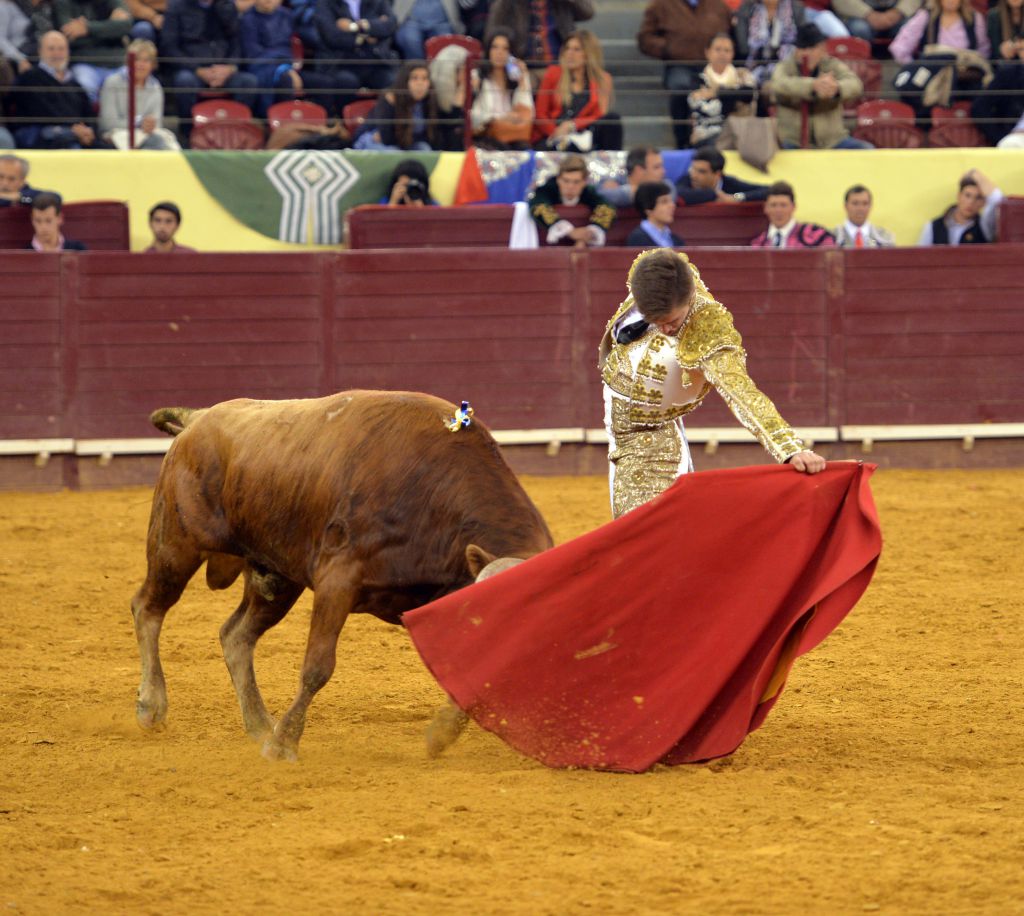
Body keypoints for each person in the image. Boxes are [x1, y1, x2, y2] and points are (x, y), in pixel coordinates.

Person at [598, 247, 825, 518]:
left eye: (672, 321)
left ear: (690, 296)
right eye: (654, 321)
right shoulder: (657, 273)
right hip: (637, 413)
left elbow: (740, 390)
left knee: (643, 525)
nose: (664, 329)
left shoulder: (708, 330)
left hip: (648, 430)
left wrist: (789, 448)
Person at [637, 0, 732, 149]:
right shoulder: (661, 5)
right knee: (680, 89)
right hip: (679, 64)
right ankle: (683, 143)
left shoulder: (719, 6)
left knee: (731, 90)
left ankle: (723, 141)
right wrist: (669, 48)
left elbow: (731, 35)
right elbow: (645, 38)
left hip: (714, 66)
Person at [161, 0, 259, 135]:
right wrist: (197, 69)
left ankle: (236, 132)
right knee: (184, 81)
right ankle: (188, 134)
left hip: (224, 69)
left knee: (249, 82)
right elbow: (169, 46)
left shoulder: (227, 6)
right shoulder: (176, 6)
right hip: (192, 70)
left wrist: (230, 67)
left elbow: (236, 41)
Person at [769, 22, 872, 149]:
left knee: (866, 150)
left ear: (822, 48)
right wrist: (812, 86)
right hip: (793, 140)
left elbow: (855, 84)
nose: (806, 53)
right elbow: (778, 84)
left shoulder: (832, 65)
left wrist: (836, 88)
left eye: (812, 48)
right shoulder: (785, 66)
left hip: (832, 140)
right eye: (802, 48)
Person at [10, 30, 113, 148]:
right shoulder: (29, 78)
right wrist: (74, 129)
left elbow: (88, 114)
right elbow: (41, 113)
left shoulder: (74, 84)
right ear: (40, 51)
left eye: (61, 49)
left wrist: (87, 131)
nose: (57, 53)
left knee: (108, 150)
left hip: (75, 134)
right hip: (40, 134)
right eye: (51, 49)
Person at [533, 29, 621, 152]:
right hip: (553, 136)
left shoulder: (602, 79)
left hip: (585, 134)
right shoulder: (553, 74)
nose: (570, 53)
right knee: (567, 146)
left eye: (576, 49)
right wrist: (556, 132)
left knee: (612, 119)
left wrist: (573, 125)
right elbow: (540, 114)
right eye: (567, 49)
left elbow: (599, 114)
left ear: (588, 54)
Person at [354, 60, 464, 150]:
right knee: (394, 153)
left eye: (424, 78)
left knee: (424, 149)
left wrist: (459, 96)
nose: (420, 83)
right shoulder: (390, 98)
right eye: (414, 78)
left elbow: (444, 127)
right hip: (377, 141)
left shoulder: (428, 100)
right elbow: (387, 138)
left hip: (407, 144)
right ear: (405, 81)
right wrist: (390, 107)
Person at [98, 40, 181, 149]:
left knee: (165, 143)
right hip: (116, 135)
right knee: (156, 144)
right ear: (128, 62)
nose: (141, 65)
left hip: (146, 135)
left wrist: (148, 125)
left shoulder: (156, 87)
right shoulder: (112, 83)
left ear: (152, 65)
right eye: (137, 59)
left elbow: (157, 124)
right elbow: (107, 124)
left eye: (146, 60)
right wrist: (138, 123)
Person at [528, 153, 615, 247]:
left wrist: (585, 236)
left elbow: (607, 208)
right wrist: (570, 231)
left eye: (576, 182)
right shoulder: (547, 190)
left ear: (584, 182)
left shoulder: (589, 192)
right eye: (566, 181)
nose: (570, 186)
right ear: (558, 179)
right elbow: (538, 206)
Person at [53, 0, 132, 103]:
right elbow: (69, 36)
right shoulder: (63, 3)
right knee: (84, 88)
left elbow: (126, 26)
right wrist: (110, 25)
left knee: (134, 87)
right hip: (85, 64)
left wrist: (88, 28)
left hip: (116, 64)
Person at [687, 33, 757, 148]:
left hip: (742, 133)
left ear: (733, 54)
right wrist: (734, 97)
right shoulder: (698, 78)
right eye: (718, 49)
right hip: (707, 136)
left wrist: (716, 93)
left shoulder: (744, 74)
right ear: (707, 52)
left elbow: (749, 95)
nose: (722, 54)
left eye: (727, 50)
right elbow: (704, 108)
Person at [313, 0, 398, 94]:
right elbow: (333, 37)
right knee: (346, 82)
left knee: (394, 81)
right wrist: (367, 35)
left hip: (374, 60)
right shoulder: (326, 2)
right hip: (341, 63)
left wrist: (354, 27)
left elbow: (391, 25)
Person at [469, 28, 534, 150]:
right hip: (486, 136)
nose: (500, 53)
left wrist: (523, 80)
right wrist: (500, 118)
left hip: (511, 134)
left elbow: (527, 113)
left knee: (525, 150)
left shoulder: (514, 80)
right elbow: (473, 117)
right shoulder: (477, 76)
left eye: (505, 49)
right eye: (495, 47)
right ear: (488, 51)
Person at [485, 0, 593, 65]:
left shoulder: (561, 3)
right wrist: (512, 64)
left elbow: (587, 13)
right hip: (523, 67)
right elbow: (491, 36)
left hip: (560, 67)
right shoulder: (508, 3)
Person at [917, 169, 1004, 245]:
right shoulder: (933, 227)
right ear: (959, 196)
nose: (971, 202)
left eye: (978, 198)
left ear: (983, 203)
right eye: (967, 195)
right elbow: (920, 258)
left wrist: (975, 173)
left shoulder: (984, 226)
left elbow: (997, 199)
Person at [734, 0, 807, 88]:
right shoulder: (747, 8)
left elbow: (804, 40)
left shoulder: (795, 7)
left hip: (787, 66)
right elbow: (742, 46)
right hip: (753, 65)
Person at [751, 180, 836, 247]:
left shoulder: (816, 235)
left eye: (783, 205)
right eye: (773, 205)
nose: (778, 210)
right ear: (765, 208)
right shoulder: (758, 244)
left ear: (793, 207)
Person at [675, 146, 769, 205]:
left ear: (717, 174)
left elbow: (770, 190)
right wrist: (714, 194)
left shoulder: (729, 183)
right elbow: (678, 194)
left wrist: (736, 197)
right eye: (693, 169)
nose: (694, 175)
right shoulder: (687, 179)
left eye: (701, 171)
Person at [393, 0, 462, 60]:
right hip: (412, 21)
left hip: (442, 22)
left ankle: (439, 73)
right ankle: (418, 69)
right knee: (409, 39)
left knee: (444, 42)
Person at [600, 146, 664, 208]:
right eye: (657, 167)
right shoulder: (612, 181)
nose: (663, 171)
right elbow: (600, 197)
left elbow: (669, 189)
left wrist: (636, 192)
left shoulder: (663, 183)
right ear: (639, 170)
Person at [625, 181, 684, 248]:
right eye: (664, 202)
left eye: (671, 201)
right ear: (648, 208)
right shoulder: (638, 239)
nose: (672, 205)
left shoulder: (677, 240)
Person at [832, 0, 921, 44]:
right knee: (860, 29)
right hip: (860, 16)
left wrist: (898, 12)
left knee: (911, 26)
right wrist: (868, 14)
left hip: (898, 14)